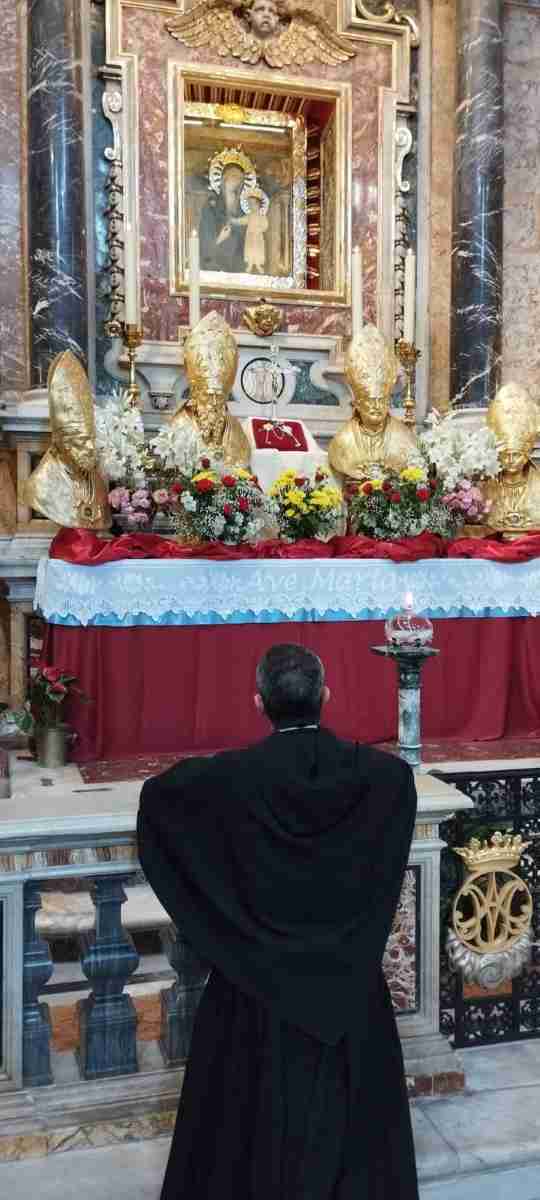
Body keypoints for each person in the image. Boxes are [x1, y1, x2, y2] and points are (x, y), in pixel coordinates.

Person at [137, 643, 419, 1200]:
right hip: (347, 995)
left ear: (259, 702)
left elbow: (159, 801)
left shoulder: (229, 779)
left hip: (254, 990)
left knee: (243, 1142)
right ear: (327, 698)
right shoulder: (380, 779)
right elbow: (399, 787)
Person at [199, 163, 247, 273]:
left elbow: (244, 237)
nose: (237, 181)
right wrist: (220, 238)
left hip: (236, 265)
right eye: (233, 176)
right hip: (214, 264)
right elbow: (205, 241)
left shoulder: (243, 208)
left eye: (240, 178)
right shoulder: (212, 206)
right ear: (224, 178)